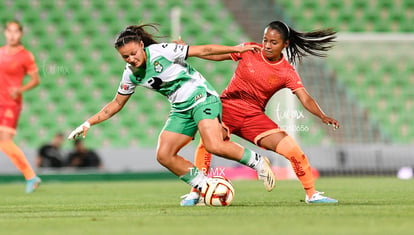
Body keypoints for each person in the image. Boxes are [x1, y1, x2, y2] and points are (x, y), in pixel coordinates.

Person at [68, 24, 275, 197]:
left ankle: (257, 161)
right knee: (164, 155)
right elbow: (116, 104)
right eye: (125, 57)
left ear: (142, 45)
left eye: (133, 53)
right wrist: (88, 123)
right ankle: (205, 187)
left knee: (214, 145)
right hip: (181, 109)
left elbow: (202, 51)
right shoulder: (130, 75)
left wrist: (236, 49)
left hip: (202, 98)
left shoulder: (161, 51)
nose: (131, 59)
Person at [180, 20, 339, 205]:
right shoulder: (250, 50)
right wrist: (189, 52)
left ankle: (312, 194)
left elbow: (305, 98)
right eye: (265, 40)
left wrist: (322, 115)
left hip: (253, 117)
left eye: (273, 42)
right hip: (227, 108)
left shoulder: (287, 72)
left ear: (285, 44)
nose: (267, 46)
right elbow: (217, 55)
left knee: (294, 151)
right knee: (207, 143)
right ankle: (195, 192)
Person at [0, 20, 41, 193]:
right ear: (4, 33)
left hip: (10, 103)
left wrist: (20, 89)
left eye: (16, 31)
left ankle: (31, 176)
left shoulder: (25, 55)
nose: (12, 35)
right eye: (9, 31)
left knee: (5, 141)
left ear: (21, 34)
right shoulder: (0, 53)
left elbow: (35, 80)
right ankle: (31, 176)